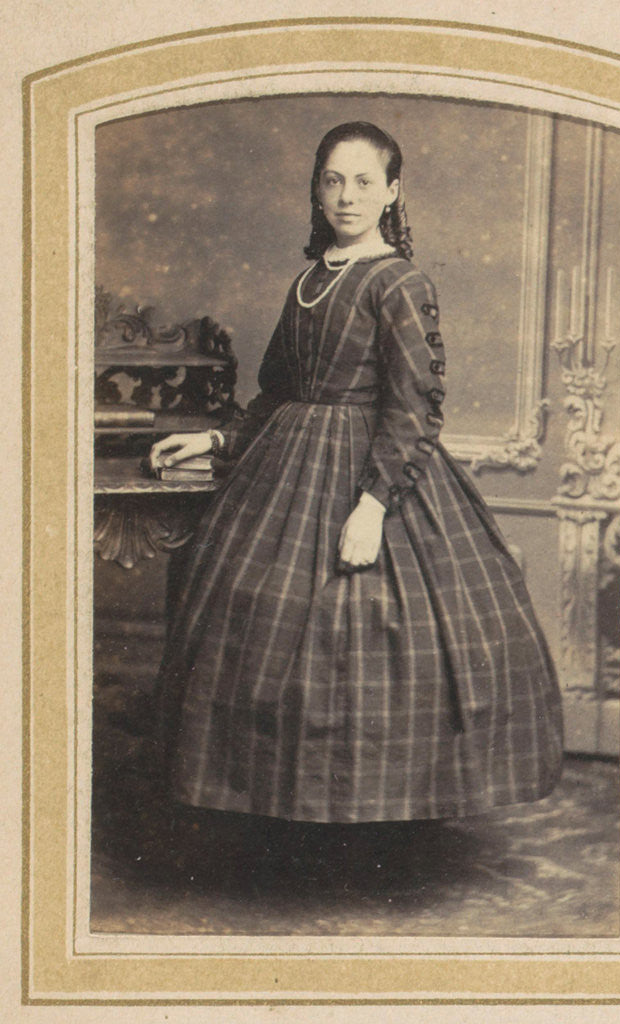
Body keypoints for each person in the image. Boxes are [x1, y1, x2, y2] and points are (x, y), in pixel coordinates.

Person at [150, 121, 563, 826]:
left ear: (392, 191)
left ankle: (363, 812)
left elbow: (414, 408)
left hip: (371, 472)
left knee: (362, 633)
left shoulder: (400, 282)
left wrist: (372, 506)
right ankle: (280, 806)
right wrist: (216, 438)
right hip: (281, 468)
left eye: (364, 181)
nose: (347, 196)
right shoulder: (308, 280)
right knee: (253, 621)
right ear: (316, 189)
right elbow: (277, 390)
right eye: (333, 180)